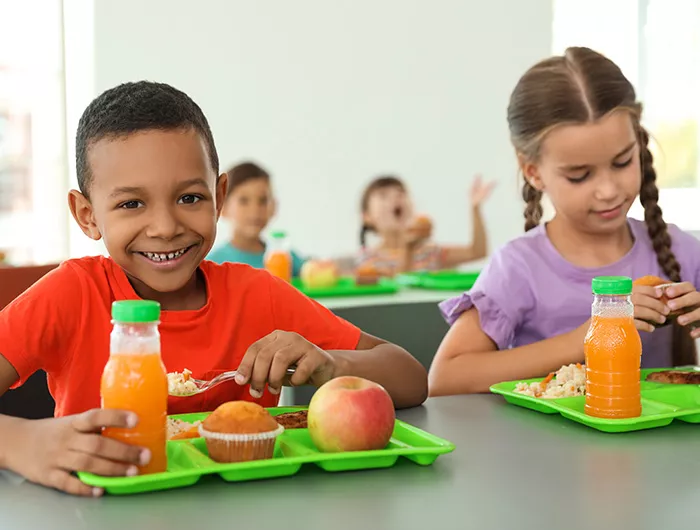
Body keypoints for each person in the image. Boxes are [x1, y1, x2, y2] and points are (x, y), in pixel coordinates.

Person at [0, 81, 428, 496]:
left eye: (189, 198)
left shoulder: (258, 295)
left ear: (219, 197)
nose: (166, 228)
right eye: (131, 204)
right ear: (87, 215)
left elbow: (410, 378)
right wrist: (19, 443)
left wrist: (330, 364)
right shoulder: (72, 293)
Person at [429, 47, 700, 397]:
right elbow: (444, 378)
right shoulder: (519, 268)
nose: (607, 190)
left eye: (622, 163)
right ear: (533, 172)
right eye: (579, 175)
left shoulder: (682, 251)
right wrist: (588, 337)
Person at [356, 174, 493, 276]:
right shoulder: (368, 258)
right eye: (383, 196)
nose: (395, 198)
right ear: (367, 217)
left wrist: (475, 209)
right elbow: (398, 287)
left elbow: (477, 252)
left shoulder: (430, 253)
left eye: (401, 193)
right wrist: (407, 249)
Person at [206, 161, 306, 275]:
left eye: (263, 200)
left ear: (274, 207)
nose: (255, 210)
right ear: (222, 207)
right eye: (244, 201)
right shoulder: (213, 264)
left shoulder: (285, 258)